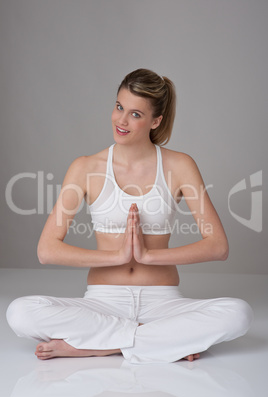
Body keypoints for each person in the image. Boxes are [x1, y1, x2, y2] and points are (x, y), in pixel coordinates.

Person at [6, 68, 253, 364]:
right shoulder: (85, 167)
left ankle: (101, 345)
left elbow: (218, 245)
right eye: (119, 107)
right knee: (19, 313)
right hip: (102, 302)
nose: (121, 120)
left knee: (240, 314)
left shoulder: (180, 165)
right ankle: (159, 341)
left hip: (163, 302)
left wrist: (148, 256)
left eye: (135, 114)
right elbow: (47, 250)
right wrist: (118, 256)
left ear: (156, 121)